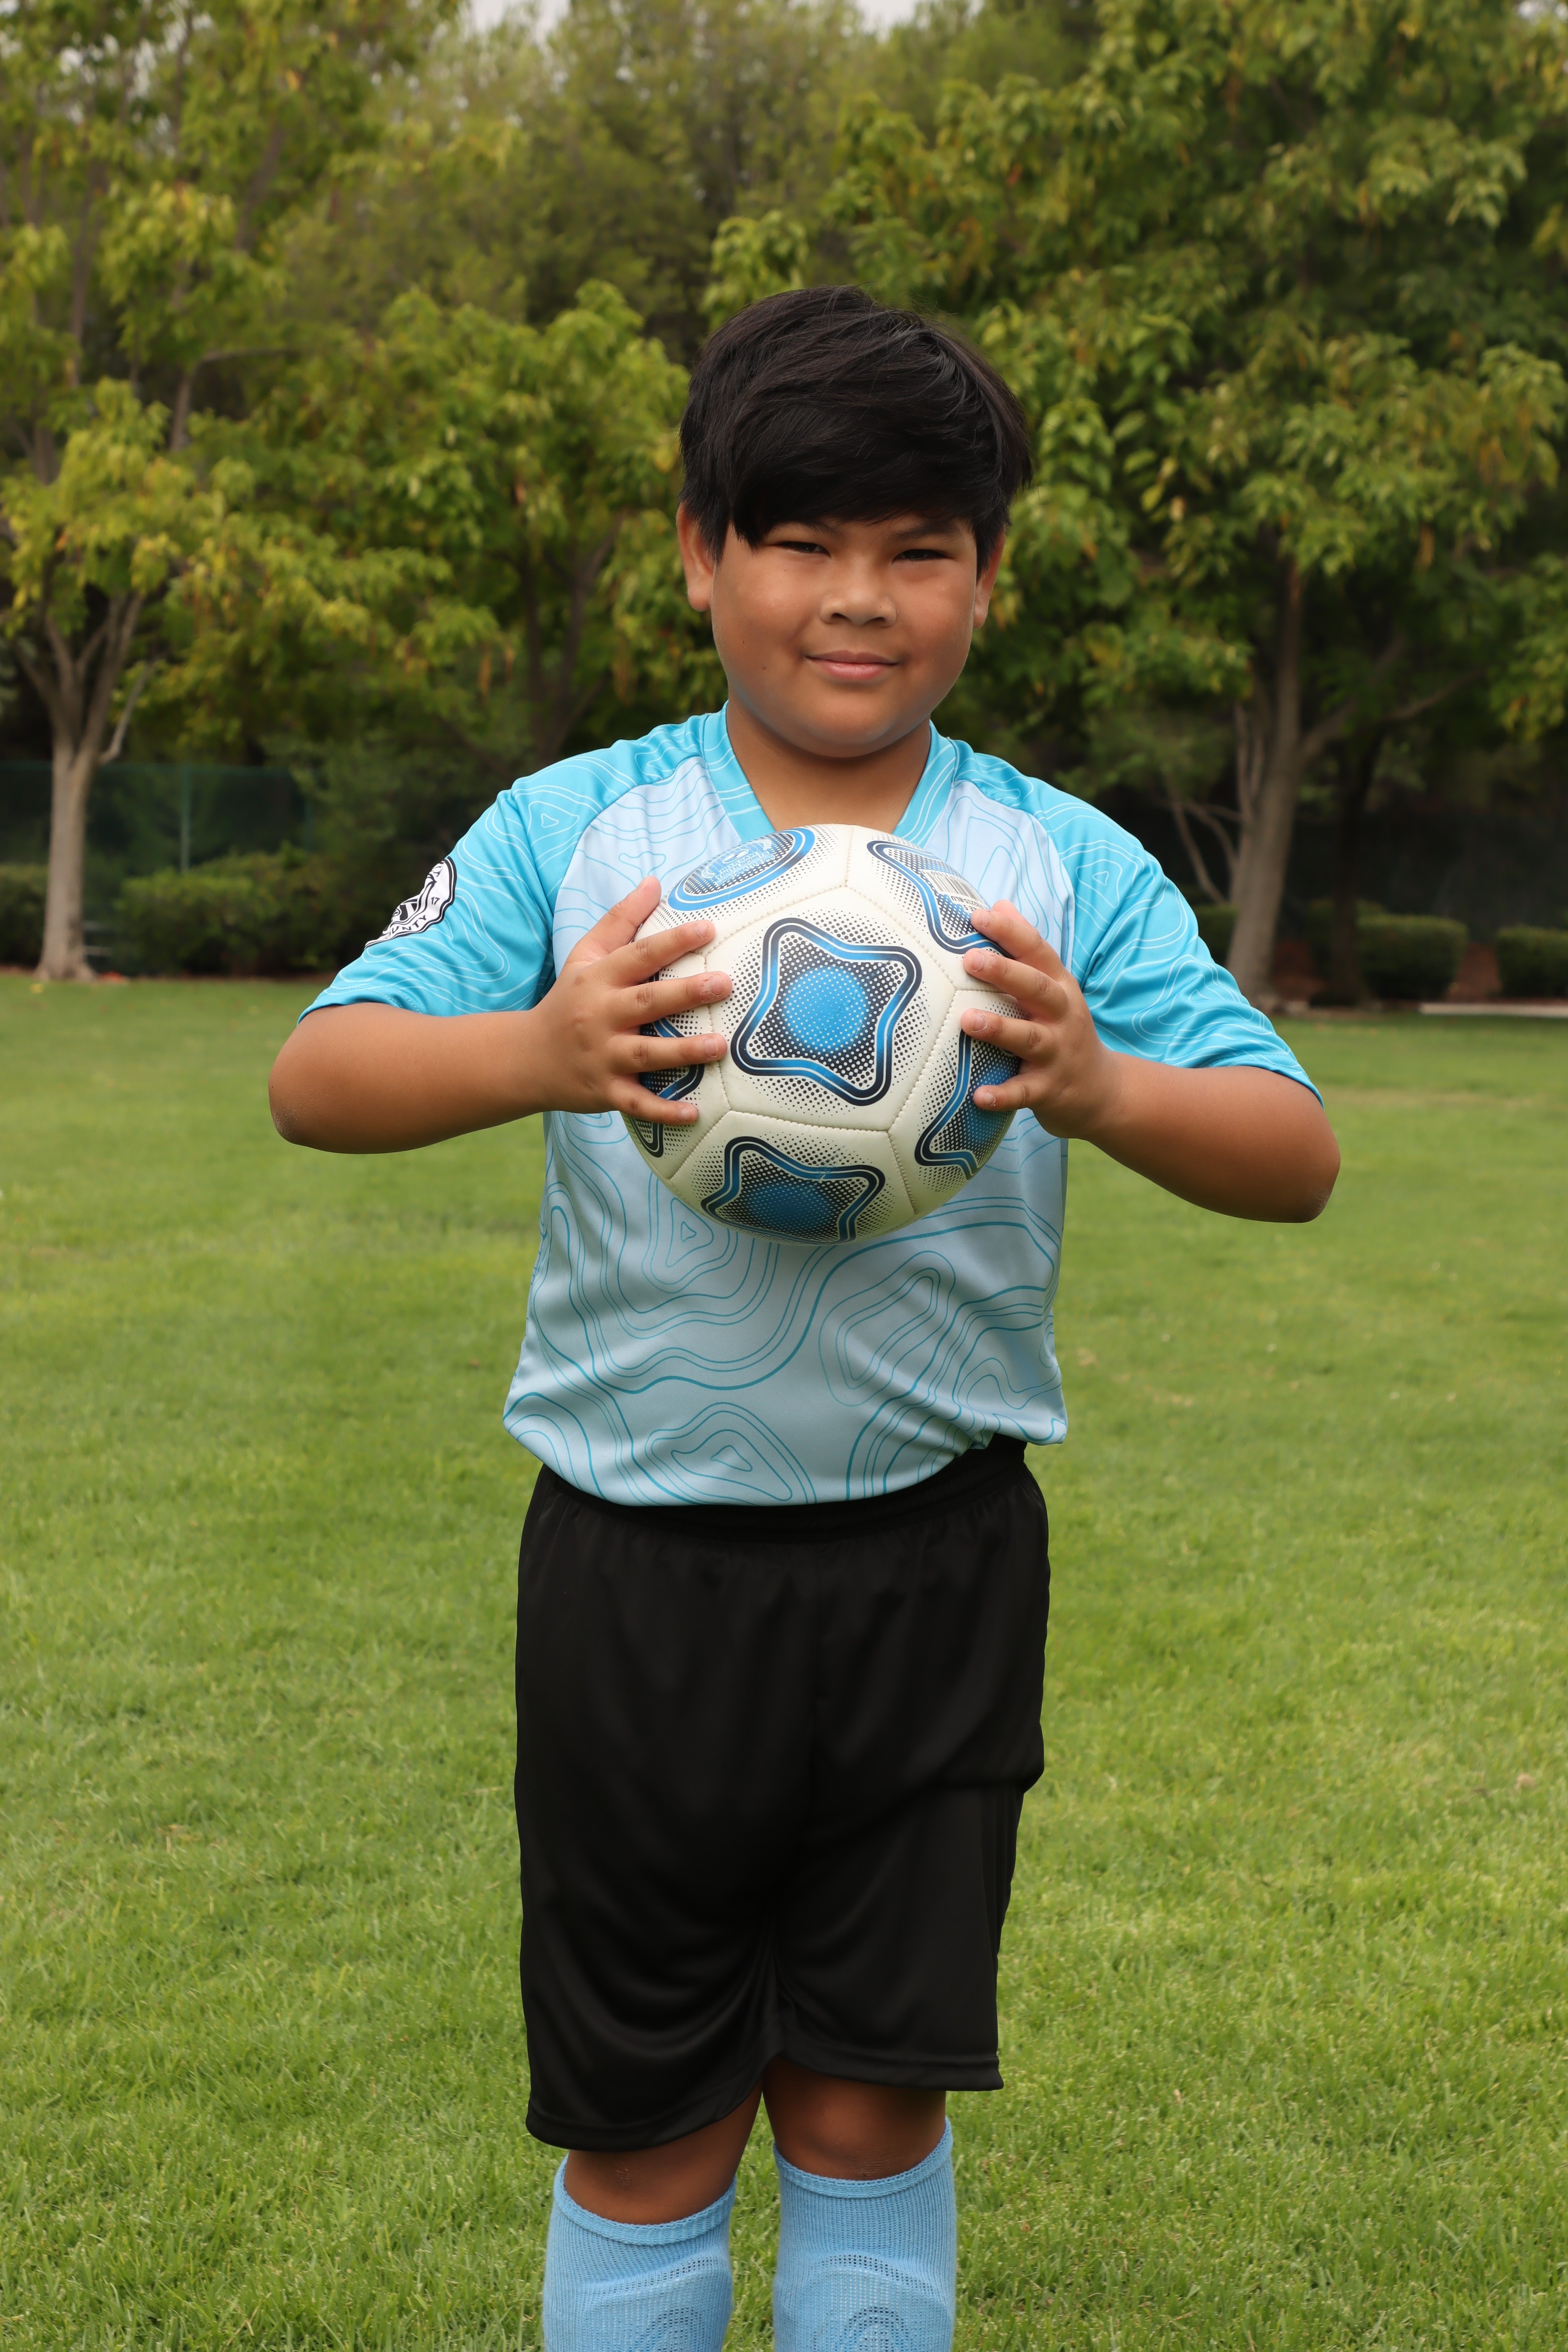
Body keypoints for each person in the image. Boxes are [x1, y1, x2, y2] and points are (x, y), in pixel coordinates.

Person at [269, 285, 1340, 2352]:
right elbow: (320, 1079)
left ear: (985, 577)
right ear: (700, 553)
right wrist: (543, 1047)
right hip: (639, 1565)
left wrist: (1099, 1083)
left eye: (917, 550)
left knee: (866, 2109)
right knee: (651, 2128)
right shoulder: (582, 833)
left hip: (934, 1565)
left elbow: (1290, 1150)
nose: (859, 598)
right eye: (801, 541)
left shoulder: (1053, 864)